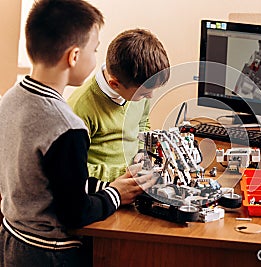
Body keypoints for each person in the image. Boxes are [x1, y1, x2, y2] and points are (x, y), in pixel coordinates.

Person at [0, 1, 154, 266]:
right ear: (73, 56)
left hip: (12, 239)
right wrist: (116, 193)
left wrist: (108, 186)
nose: (97, 59)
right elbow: (76, 212)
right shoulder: (66, 127)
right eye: (94, 50)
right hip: (50, 252)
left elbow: (49, 181)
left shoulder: (9, 99)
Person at [68, 28, 170, 182]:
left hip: (133, 178)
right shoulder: (80, 108)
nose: (150, 97)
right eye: (143, 94)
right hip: (104, 188)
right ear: (115, 84)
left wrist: (143, 149)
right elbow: (71, 167)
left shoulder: (139, 89)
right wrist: (122, 173)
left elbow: (142, 122)